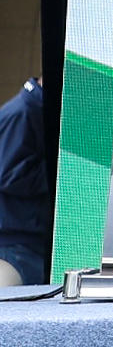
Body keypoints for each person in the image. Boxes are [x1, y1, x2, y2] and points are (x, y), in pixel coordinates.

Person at [0, 76, 47, 288]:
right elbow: (8, 174)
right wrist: (58, 172)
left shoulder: (36, 111)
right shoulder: (20, 113)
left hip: (31, 241)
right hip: (15, 243)